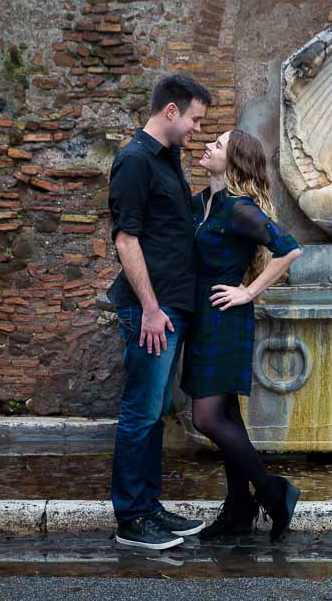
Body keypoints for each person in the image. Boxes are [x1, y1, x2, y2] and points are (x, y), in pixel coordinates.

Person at [107, 75, 212, 550]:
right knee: (140, 413)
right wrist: (150, 309)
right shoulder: (134, 161)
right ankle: (131, 519)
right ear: (171, 111)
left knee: (154, 414)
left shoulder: (168, 161)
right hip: (152, 311)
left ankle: (149, 508)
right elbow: (126, 240)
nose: (196, 130)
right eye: (195, 119)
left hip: (173, 308)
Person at [184, 129, 303, 543]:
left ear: (233, 161)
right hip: (203, 317)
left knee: (207, 418)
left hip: (226, 317)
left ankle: (272, 492)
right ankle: (238, 507)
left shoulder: (238, 209)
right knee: (228, 416)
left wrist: (249, 291)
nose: (207, 147)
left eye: (216, 145)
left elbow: (289, 249)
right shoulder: (203, 202)